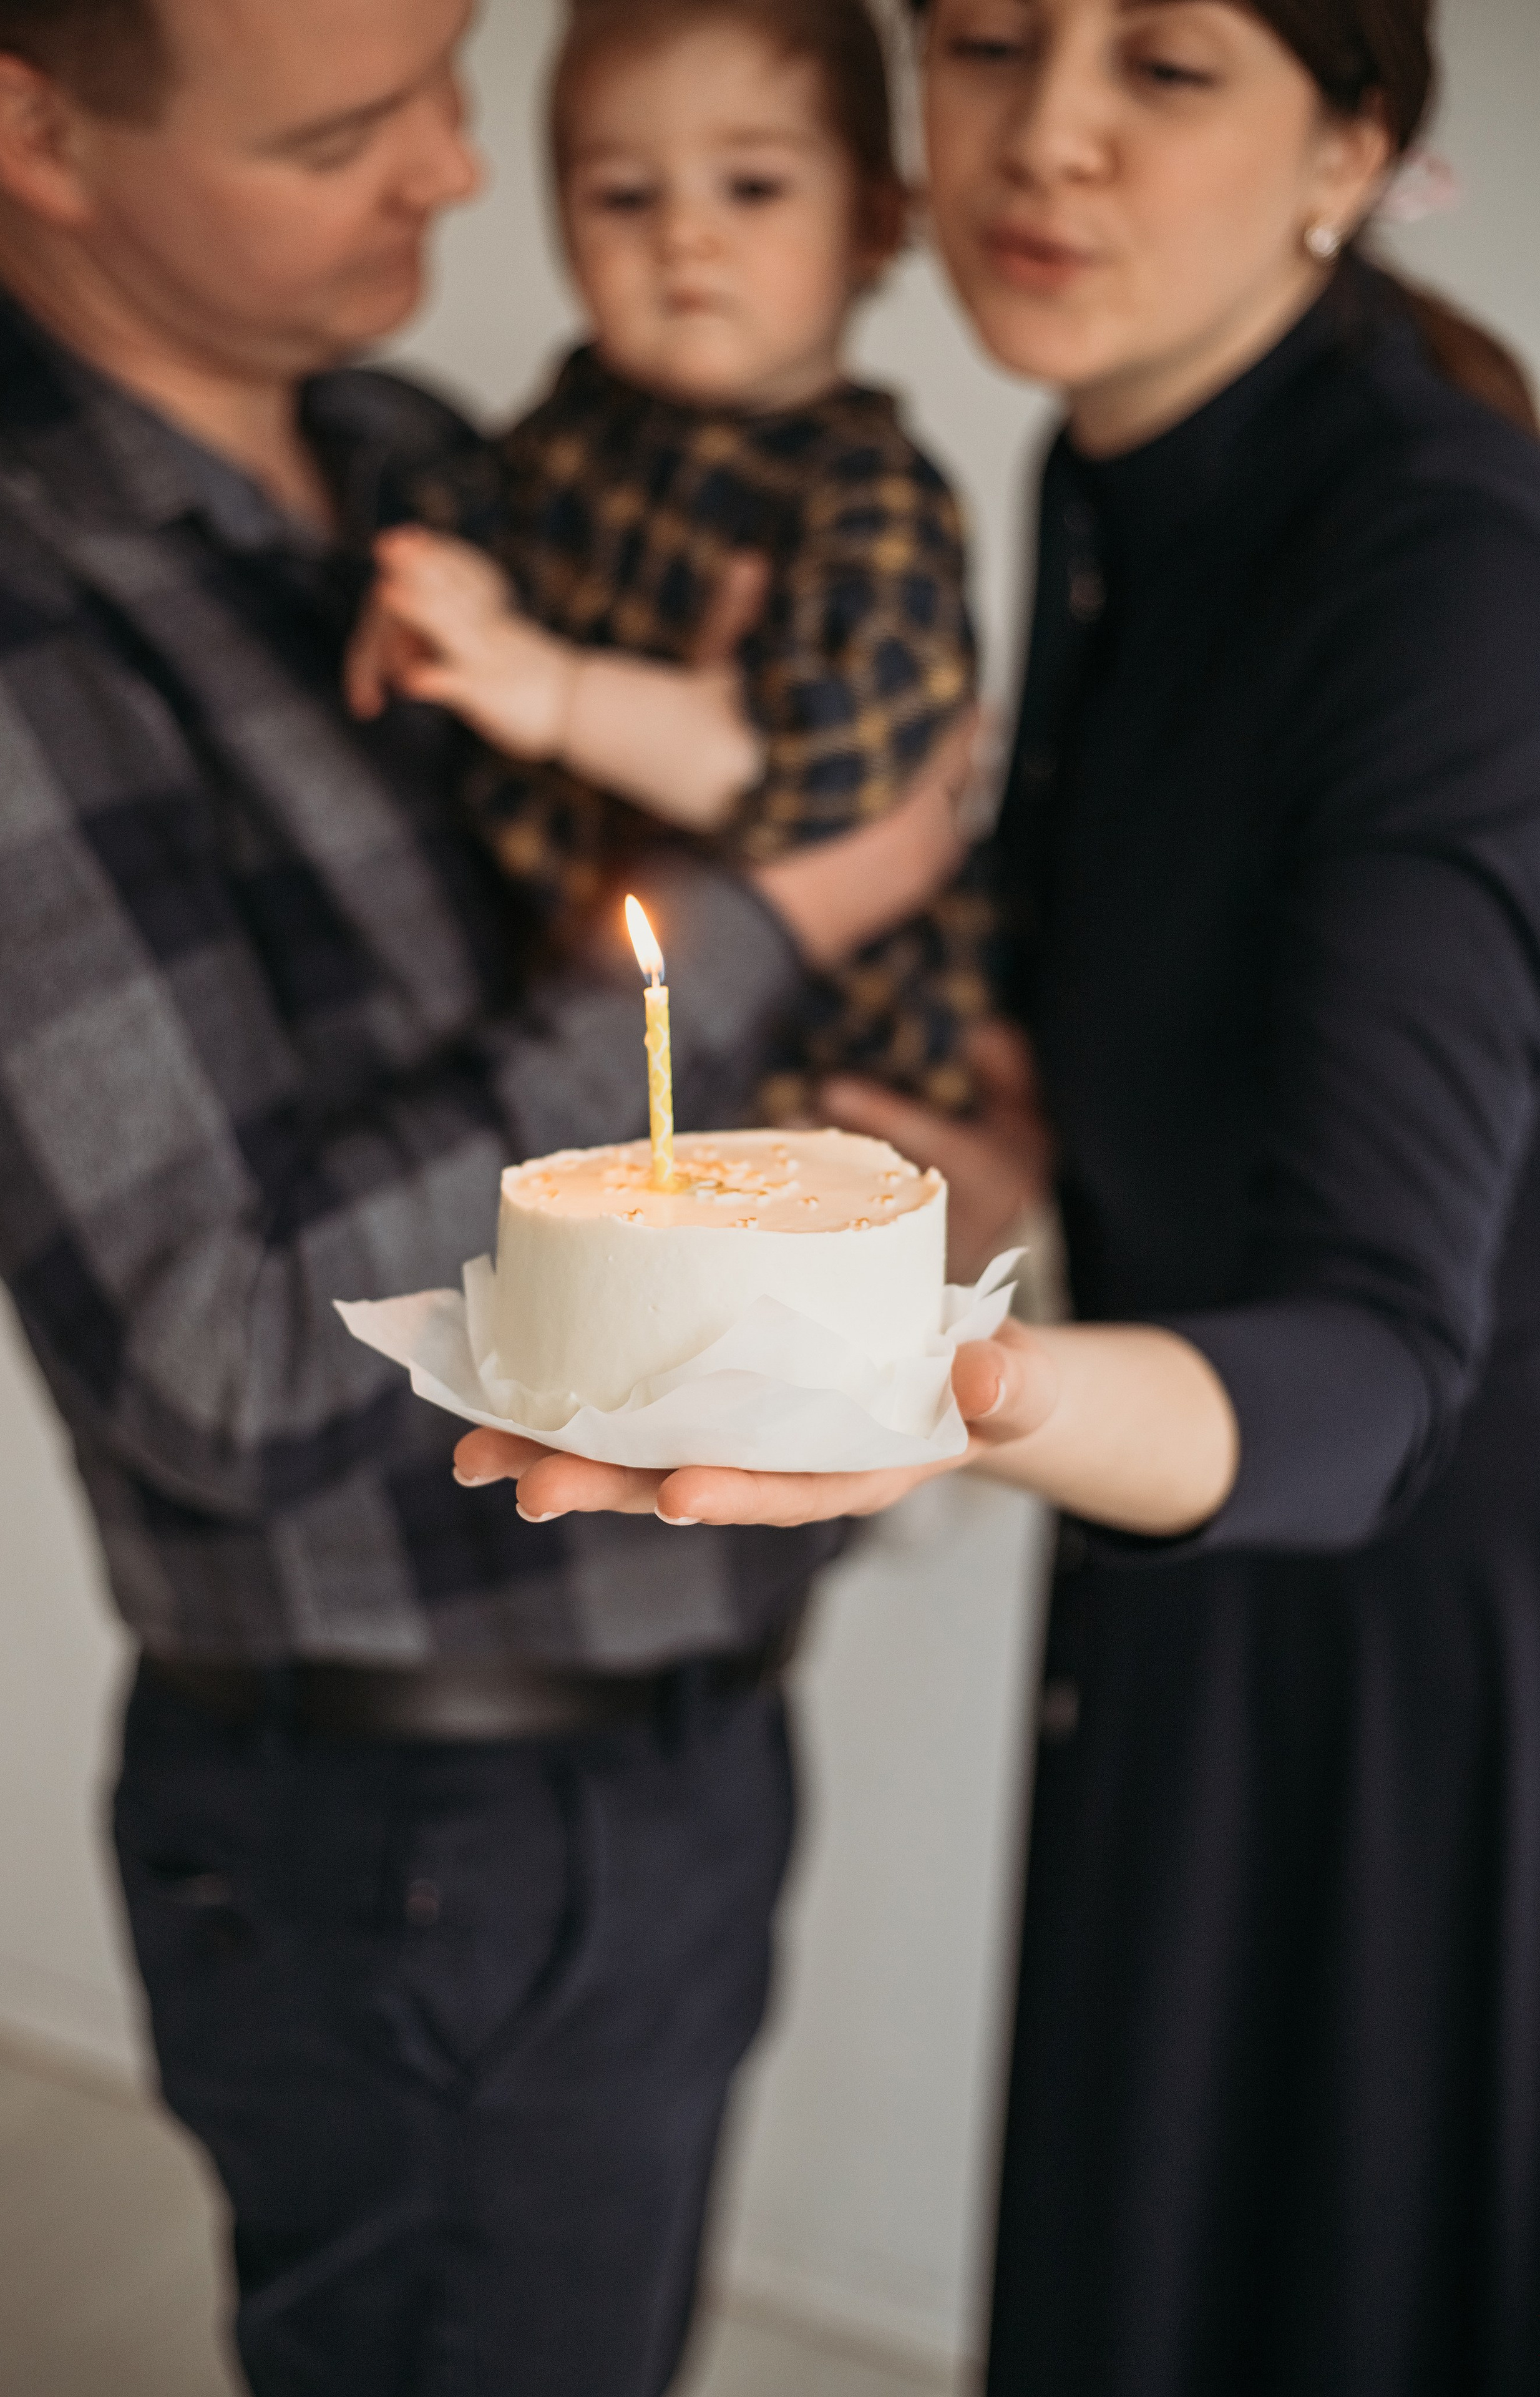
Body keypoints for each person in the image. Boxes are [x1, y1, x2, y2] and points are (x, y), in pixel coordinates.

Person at [459, 0, 1540, 2388]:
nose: (1041, 138)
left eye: (1165, 66)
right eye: (983, 39)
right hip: (1170, 1566)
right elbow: (1100, 1095)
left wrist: (960, 1383)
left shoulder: (1444, 572)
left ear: (1347, 142)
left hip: (1414, 1677)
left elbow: (1378, 1371)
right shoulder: (1103, 471)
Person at [0, 2, 968, 2390]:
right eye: (339, 130)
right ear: (34, 130)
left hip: (670, 1732)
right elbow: (218, 1351)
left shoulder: (417, 456)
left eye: (447, 78)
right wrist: (774, 917)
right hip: (417, 1825)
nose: (457, 175)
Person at [348, 0, 991, 1125]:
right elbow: (469, 517)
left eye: (751, 187)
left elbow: (809, 775)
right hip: (580, 1004)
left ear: (876, 221)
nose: (683, 236)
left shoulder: (868, 495)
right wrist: (428, 594)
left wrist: (555, 693)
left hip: (810, 1054)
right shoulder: (575, 424)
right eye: (625, 196)